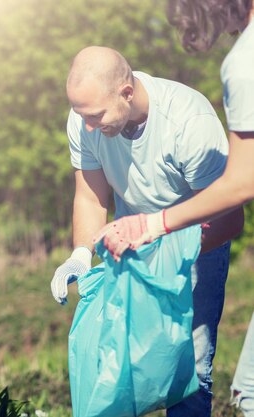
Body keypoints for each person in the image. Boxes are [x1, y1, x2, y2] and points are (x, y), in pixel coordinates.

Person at [50, 46, 244, 417]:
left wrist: (163, 239)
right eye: (81, 115)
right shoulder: (84, 120)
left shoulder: (188, 119)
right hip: (130, 247)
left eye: (96, 115)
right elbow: (90, 197)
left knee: (189, 368)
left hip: (195, 246)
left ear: (127, 92)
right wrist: (79, 255)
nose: (89, 126)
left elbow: (229, 218)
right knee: (122, 363)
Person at [96, 1, 254, 415]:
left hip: (191, 239)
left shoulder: (240, 67)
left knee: (243, 390)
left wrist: (156, 226)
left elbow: (239, 184)